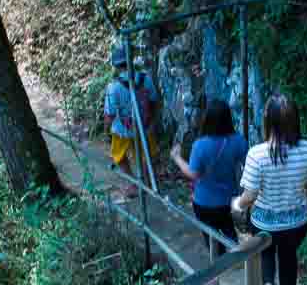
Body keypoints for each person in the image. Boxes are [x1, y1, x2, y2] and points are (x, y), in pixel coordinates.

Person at [231, 94, 307, 285]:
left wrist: (237, 204)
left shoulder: (257, 154)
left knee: (266, 250)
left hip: (264, 223)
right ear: (296, 120)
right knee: (288, 258)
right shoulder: (306, 150)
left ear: (268, 121)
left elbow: (250, 196)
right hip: (296, 224)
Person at [171, 99, 249, 257]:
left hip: (203, 202)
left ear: (206, 119)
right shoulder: (238, 141)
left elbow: (193, 174)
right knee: (228, 227)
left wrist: (177, 158)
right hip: (228, 200)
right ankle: (235, 255)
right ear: (228, 118)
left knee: (211, 236)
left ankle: (219, 263)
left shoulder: (200, 145)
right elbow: (248, 164)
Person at [103, 46, 161, 195]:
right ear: (131, 61)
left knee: (119, 156)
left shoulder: (113, 88)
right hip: (145, 126)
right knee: (147, 155)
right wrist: (151, 120)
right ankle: (148, 183)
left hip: (123, 131)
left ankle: (134, 184)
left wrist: (106, 130)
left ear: (116, 66)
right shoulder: (145, 78)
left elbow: (109, 115)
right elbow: (154, 101)